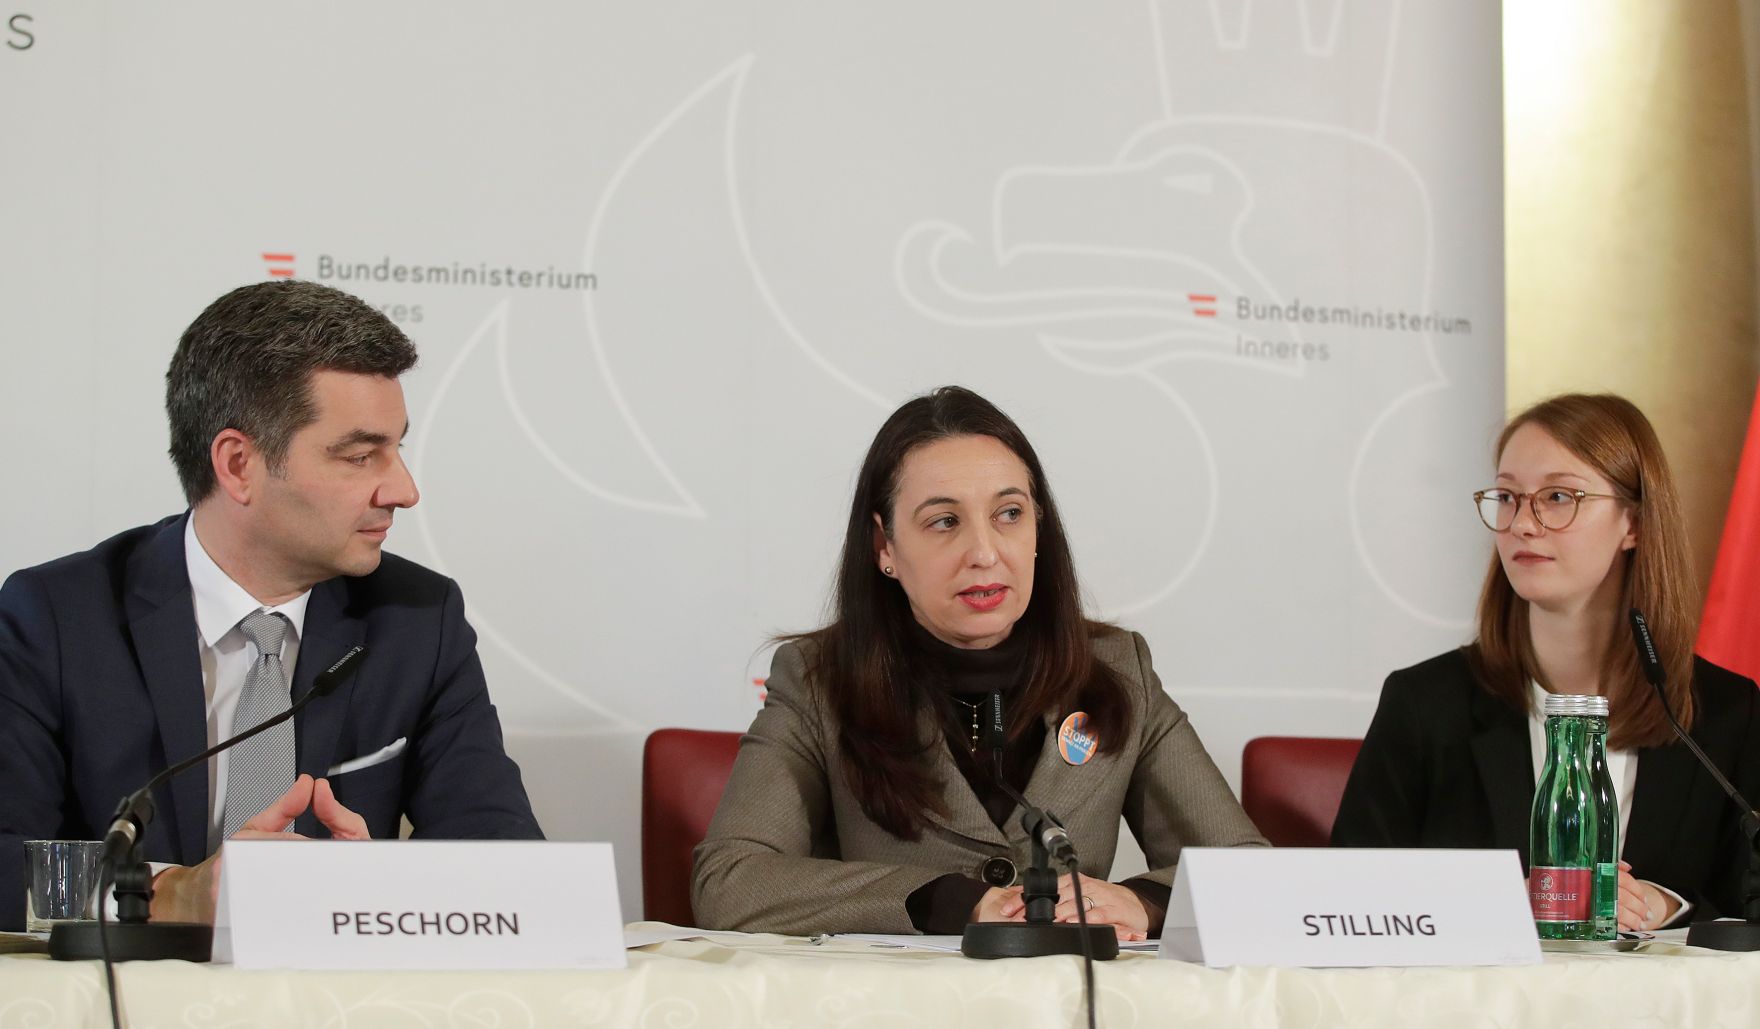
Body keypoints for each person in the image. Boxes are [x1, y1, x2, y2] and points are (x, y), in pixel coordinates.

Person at [0, 280, 543, 931]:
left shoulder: (419, 619)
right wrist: (170, 893)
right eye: (361, 454)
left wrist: (377, 891)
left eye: (399, 447)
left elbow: (507, 862)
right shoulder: (56, 619)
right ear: (238, 464)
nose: (403, 488)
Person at [692, 386, 1264, 939]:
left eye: (1009, 514)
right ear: (884, 547)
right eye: (945, 521)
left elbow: (1251, 877)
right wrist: (939, 899)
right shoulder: (818, 678)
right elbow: (729, 880)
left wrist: (1145, 902)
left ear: (1039, 527)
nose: (985, 553)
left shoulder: (1118, 670)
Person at [1333, 393, 1760, 930]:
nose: (1522, 524)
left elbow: (1748, 899)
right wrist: (1496, 904)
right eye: (1508, 497)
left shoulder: (1725, 713)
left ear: (1634, 523)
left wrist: (1667, 906)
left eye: (1558, 496)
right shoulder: (1426, 702)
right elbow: (1350, 895)